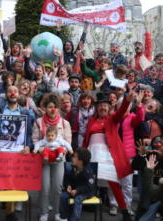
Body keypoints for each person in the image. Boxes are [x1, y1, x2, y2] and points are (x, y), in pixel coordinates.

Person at [0, 85, 36, 221]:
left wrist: (28, 146)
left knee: (13, 184)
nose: (13, 93)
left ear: (19, 94)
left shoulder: (25, 113)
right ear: (6, 94)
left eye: (15, 91)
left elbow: (28, 134)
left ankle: (10, 212)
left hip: (17, 154)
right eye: (10, 91)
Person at [83, 91, 136, 221]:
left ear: (109, 107)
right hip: (92, 153)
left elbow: (121, 112)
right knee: (88, 181)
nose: (102, 108)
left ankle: (124, 211)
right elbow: (86, 138)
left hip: (106, 155)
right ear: (96, 107)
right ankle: (85, 207)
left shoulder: (112, 119)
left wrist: (127, 101)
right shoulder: (91, 120)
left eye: (105, 105)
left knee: (113, 183)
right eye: (100, 105)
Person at [32, 93, 72, 221]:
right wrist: (44, 150)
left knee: (57, 188)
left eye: (55, 107)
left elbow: (67, 141)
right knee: (45, 187)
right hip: (44, 159)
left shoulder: (65, 123)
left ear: (58, 107)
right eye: (49, 107)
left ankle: (57, 214)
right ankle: (43, 213)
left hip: (59, 159)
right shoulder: (38, 122)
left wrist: (61, 151)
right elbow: (35, 140)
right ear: (44, 107)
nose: (52, 109)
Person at [59, 148, 97, 221]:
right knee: (63, 196)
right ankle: (63, 217)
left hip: (86, 192)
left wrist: (77, 190)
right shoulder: (74, 168)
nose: (73, 158)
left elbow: (89, 186)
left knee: (78, 199)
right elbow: (68, 179)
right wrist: (68, 186)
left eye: (75, 157)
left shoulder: (88, 172)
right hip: (74, 190)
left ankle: (74, 219)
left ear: (81, 161)